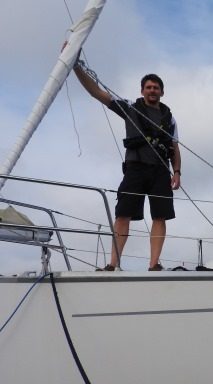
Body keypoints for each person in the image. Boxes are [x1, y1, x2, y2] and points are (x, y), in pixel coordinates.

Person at [71, 55, 181, 271]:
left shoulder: (170, 119)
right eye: (148, 87)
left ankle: (154, 264)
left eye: (156, 87)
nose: (152, 90)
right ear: (142, 91)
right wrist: (76, 67)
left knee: (161, 215)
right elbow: (97, 93)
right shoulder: (131, 107)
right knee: (123, 214)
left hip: (160, 170)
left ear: (162, 92)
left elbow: (175, 147)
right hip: (135, 169)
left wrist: (176, 171)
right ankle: (113, 263)